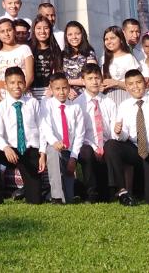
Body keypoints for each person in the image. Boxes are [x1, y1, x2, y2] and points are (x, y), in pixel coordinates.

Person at [105, 70, 149, 206]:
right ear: (126, 87)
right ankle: (122, 192)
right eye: (131, 84)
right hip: (135, 151)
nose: (135, 87)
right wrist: (119, 133)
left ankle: (147, 190)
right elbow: (125, 136)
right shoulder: (124, 106)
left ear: (145, 83)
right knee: (111, 145)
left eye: (138, 82)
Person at [0, 66, 44, 205]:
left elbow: (42, 128)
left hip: (30, 151)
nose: (17, 86)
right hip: (11, 151)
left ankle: (27, 190)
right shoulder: (1, 107)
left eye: (20, 82)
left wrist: (42, 152)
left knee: (35, 200)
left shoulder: (33, 103)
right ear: (6, 85)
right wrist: (6, 148)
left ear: (24, 82)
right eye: (12, 83)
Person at [74, 63, 119, 203]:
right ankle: (90, 193)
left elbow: (113, 127)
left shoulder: (109, 102)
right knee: (86, 152)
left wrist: (105, 147)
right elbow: (78, 132)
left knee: (112, 147)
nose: (94, 82)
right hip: (87, 145)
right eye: (90, 78)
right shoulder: (77, 104)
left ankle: (114, 189)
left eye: (97, 78)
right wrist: (95, 148)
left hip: (105, 144)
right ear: (83, 81)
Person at [37, 74, 86, 203]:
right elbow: (45, 127)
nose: (61, 92)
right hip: (54, 147)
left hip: (69, 150)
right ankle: (56, 197)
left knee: (69, 197)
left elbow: (80, 134)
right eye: (57, 89)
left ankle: (53, 194)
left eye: (64, 88)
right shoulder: (46, 104)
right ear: (51, 90)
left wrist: (73, 157)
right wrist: (54, 142)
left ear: (69, 88)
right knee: (53, 152)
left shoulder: (75, 108)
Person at [0, 19, 33, 101]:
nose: (6, 34)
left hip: (22, 94)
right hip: (2, 96)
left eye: (9, 30)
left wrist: (19, 94)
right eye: (2, 31)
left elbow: (30, 76)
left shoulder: (24, 49)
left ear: (14, 31)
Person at [61, 22, 98, 99]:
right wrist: (67, 88)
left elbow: (91, 77)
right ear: (66, 37)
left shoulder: (89, 53)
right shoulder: (62, 55)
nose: (74, 37)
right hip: (66, 95)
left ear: (82, 35)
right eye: (70, 34)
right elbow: (58, 77)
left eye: (77, 34)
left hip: (86, 96)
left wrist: (67, 82)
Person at [101, 26, 137, 105]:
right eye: (106, 39)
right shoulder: (103, 58)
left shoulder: (128, 58)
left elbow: (135, 83)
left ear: (121, 39)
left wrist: (116, 83)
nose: (109, 41)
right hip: (107, 99)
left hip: (125, 97)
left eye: (112, 38)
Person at [29, 16, 62, 101]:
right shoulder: (28, 48)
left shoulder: (55, 49)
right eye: (39, 28)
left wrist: (52, 88)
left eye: (46, 28)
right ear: (34, 30)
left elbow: (59, 71)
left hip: (50, 92)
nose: (42, 31)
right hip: (31, 92)